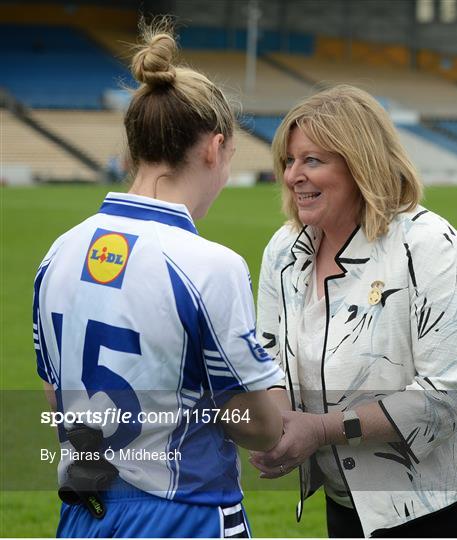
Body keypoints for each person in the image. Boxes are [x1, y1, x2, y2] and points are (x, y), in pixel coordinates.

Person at [33, 21, 283, 538]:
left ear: (134, 150)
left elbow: (56, 400)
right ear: (214, 148)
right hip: (181, 516)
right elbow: (261, 426)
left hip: (82, 514)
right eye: (230, 158)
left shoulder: (57, 254)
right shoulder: (211, 265)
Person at [251, 84, 457, 538]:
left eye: (313, 160)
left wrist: (322, 429)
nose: (293, 176)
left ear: (360, 163)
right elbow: (267, 358)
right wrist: (280, 427)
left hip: (440, 498)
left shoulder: (428, 245)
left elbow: (451, 390)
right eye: (289, 161)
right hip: (346, 494)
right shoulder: (282, 251)